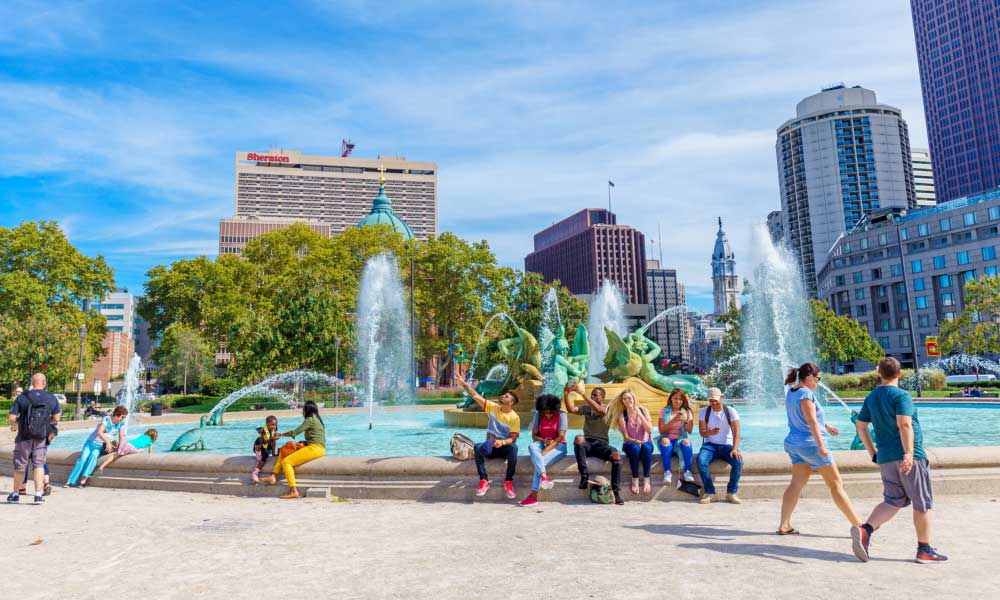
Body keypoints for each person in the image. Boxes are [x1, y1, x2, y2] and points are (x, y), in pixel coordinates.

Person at [851, 357, 947, 564]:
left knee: (893, 501)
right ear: (900, 374)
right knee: (922, 504)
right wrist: (909, 453)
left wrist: (872, 452)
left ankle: (865, 530)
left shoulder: (872, 397)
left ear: (879, 373)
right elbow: (904, 425)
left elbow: (860, 426)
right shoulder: (901, 395)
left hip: (885, 457)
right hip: (909, 459)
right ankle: (924, 550)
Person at [778, 363, 862, 535]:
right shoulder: (806, 395)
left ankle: (784, 525)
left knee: (796, 484)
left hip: (794, 445)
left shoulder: (791, 392)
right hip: (811, 445)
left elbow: (805, 417)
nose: (818, 382)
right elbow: (811, 421)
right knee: (836, 484)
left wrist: (826, 425)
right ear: (809, 377)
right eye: (817, 379)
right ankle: (860, 526)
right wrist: (822, 446)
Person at [457, 378, 520, 499]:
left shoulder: (514, 417)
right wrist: (464, 384)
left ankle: (508, 481)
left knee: (514, 448)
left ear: (511, 403)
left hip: (503, 449)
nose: (502, 396)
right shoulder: (492, 407)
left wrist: (501, 442)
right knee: (477, 447)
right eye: (504, 395)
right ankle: (484, 480)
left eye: (506, 396)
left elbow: (513, 438)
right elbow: (475, 395)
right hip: (489, 447)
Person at [564, 381, 624, 505]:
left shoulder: (608, 408)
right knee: (579, 438)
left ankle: (616, 491)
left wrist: (582, 393)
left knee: (617, 456)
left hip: (602, 444)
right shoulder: (587, 408)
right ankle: (584, 477)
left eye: (595, 395)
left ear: (602, 397)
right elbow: (571, 409)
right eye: (592, 395)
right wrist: (566, 394)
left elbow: (599, 409)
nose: (592, 397)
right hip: (588, 443)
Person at [7, 373, 61, 504]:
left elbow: (11, 418)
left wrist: (17, 423)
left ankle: (15, 495)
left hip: (23, 437)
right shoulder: (51, 398)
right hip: (41, 437)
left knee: (20, 466)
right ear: (44, 383)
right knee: (39, 465)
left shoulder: (23, 397)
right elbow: (56, 418)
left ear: (32, 382)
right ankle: (37, 495)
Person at [259, 401, 326, 499]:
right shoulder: (316, 419)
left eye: (303, 410)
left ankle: (294, 491)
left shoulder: (309, 419)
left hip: (315, 448)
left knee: (286, 462)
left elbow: (295, 432)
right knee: (284, 449)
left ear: (307, 411)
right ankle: (273, 476)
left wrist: (281, 434)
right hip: (313, 446)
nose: (302, 412)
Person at [696, 387, 743, 504]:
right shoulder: (704, 412)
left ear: (721, 398)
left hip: (727, 445)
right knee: (701, 461)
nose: (714, 403)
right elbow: (702, 432)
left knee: (739, 462)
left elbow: (736, 432)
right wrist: (709, 432)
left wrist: (735, 449)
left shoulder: (731, 411)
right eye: (711, 400)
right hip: (710, 445)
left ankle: (731, 492)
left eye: (716, 400)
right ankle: (710, 493)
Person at [519, 393, 567, 507]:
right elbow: (534, 435)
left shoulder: (562, 415)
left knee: (539, 462)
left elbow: (560, 437)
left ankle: (533, 495)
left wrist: (544, 452)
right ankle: (544, 477)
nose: (548, 415)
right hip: (543, 443)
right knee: (532, 446)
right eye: (545, 412)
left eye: (550, 412)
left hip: (559, 446)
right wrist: (543, 440)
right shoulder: (538, 415)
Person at [606, 388, 654, 495]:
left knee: (646, 447)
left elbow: (649, 430)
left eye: (629, 398)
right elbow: (626, 437)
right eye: (624, 399)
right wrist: (636, 441)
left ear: (633, 398)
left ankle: (647, 480)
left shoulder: (644, 410)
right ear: (622, 401)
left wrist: (640, 414)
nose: (627, 401)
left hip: (646, 443)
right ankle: (635, 479)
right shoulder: (622, 415)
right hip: (630, 444)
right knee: (635, 448)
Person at [66, 405, 128, 488]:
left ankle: (83, 480)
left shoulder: (121, 424)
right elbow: (99, 432)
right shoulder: (106, 419)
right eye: (122, 417)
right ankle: (70, 481)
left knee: (93, 458)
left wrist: (120, 448)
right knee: (82, 459)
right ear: (117, 414)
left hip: (100, 446)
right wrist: (108, 443)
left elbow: (121, 436)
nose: (123, 419)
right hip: (91, 443)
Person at [657, 388, 695, 485]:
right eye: (675, 398)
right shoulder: (664, 411)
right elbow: (661, 431)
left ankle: (687, 471)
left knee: (687, 442)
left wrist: (686, 420)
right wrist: (673, 421)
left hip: (680, 440)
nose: (678, 401)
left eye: (681, 399)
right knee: (665, 440)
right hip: (668, 441)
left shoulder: (687, 411)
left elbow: (690, 431)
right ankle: (667, 472)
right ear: (671, 399)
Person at [250, 415, 279, 483]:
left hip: (266, 448)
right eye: (271, 425)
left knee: (272, 441)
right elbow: (265, 441)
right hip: (260, 447)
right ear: (267, 424)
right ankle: (255, 473)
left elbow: (273, 442)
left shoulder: (274, 430)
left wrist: (273, 453)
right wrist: (273, 438)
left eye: (275, 425)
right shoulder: (263, 430)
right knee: (260, 439)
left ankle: (265, 453)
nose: (273, 426)